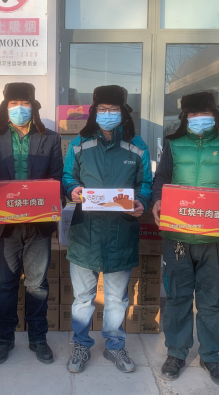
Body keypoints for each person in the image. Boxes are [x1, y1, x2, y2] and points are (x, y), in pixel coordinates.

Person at [151, 90, 219, 386]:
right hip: (178, 235)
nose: (198, 119)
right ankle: (176, 353)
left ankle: (210, 356)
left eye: (204, 113)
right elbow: (162, 178)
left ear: (216, 114)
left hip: (215, 237)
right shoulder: (173, 144)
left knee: (212, 299)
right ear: (185, 117)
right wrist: (157, 199)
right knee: (178, 296)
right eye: (192, 114)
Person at [62, 85, 152, 374]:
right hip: (85, 233)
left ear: (123, 112)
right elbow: (67, 176)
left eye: (114, 109)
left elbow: (146, 183)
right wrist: (72, 189)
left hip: (120, 233)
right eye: (103, 109)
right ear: (94, 111)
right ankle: (81, 344)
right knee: (82, 298)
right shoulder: (79, 144)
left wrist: (141, 201)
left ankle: (115, 345)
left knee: (116, 297)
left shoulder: (137, 146)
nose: (108, 114)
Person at [0, 82, 63, 365]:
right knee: (6, 283)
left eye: (24, 103)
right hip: (5, 226)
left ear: (33, 106)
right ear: (6, 107)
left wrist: (56, 198)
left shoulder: (50, 138)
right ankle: (5, 339)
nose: (19, 108)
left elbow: (58, 177)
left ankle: (38, 338)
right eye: (13, 103)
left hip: (39, 225)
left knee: (37, 284)